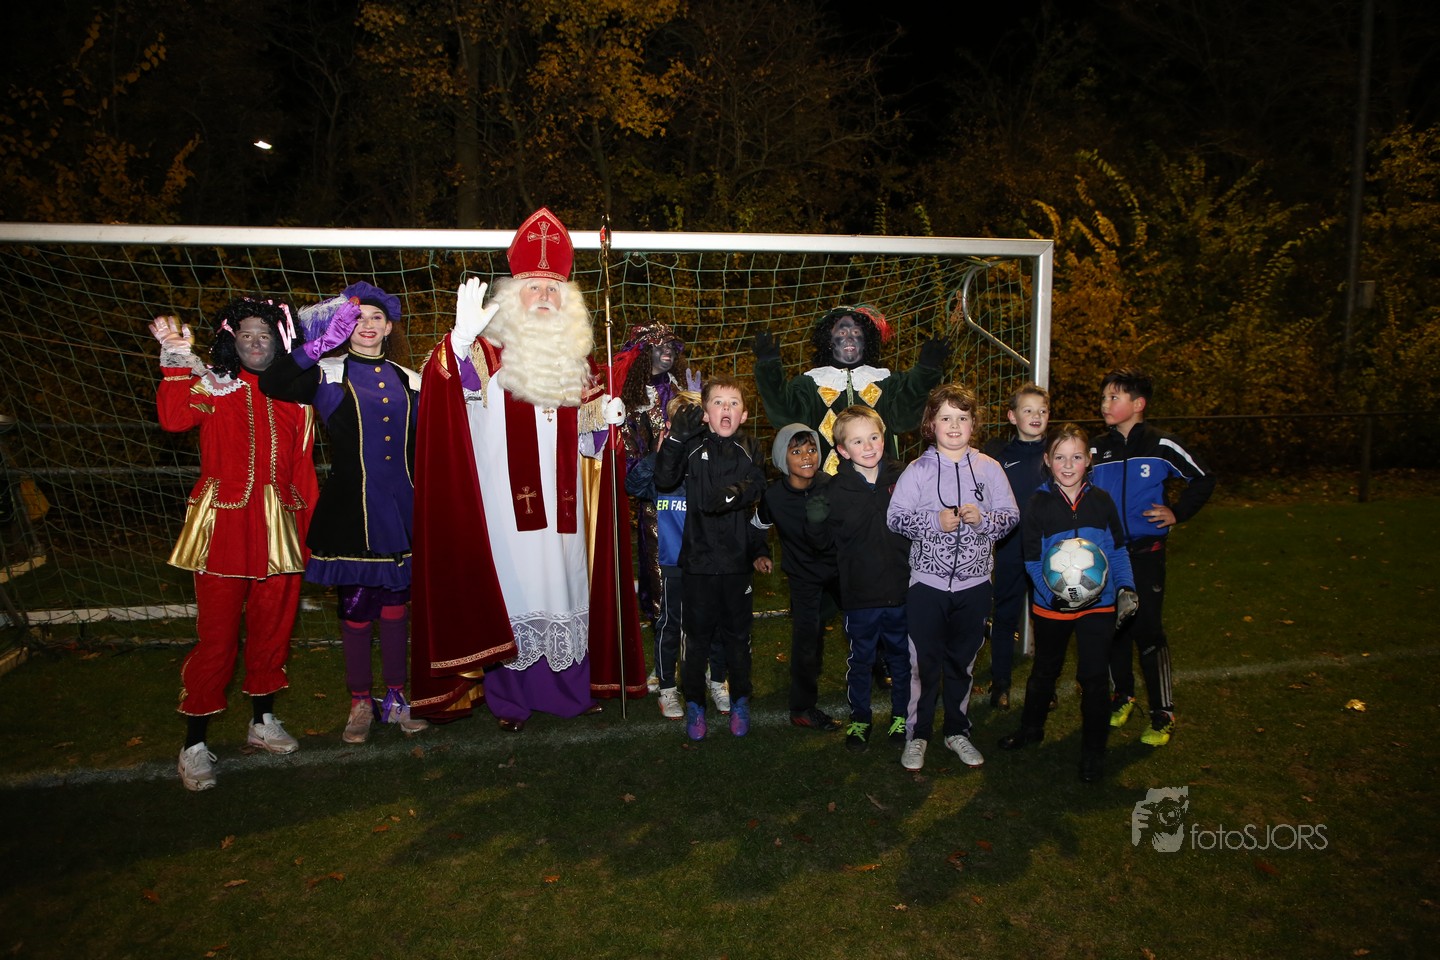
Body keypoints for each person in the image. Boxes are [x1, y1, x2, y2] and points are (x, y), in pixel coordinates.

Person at [409, 207, 643, 730]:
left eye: (553, 289)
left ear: (568, 301)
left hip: (564, 515)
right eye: (533, 286)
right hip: (503, 510)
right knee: (515, 593)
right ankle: (509, 700)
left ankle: (568, 693)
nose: (543, 296)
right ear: (513, 296)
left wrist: (605, 421)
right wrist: (458, 341)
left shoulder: (578, 364)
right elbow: (445, 393)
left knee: (564, 588)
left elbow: (589, 448)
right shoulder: (486, 354)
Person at [152, 298, 319, 791]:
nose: (255, 342)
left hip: (280, 529)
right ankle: (194, 742)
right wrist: (176, 364)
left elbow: (304, 471)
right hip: (223, 525)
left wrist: (310, 537)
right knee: (217, 636)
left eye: (264, 334)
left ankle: (262, 720)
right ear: (232, 340)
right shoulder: (214, 384)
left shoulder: (297, 399)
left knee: (273, 628)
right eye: (245, 334)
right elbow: (173, 419)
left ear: (278, 342)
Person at [259, 281, 430, 744]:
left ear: (389, 327)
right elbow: (272, 382)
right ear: (344, 326)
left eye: (376, 318)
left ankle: (396, 697)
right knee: (355, 608)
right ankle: (359, 701)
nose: (367, 325)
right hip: (351, 512)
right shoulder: (327, 372)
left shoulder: (411, 379)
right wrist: (319, 345)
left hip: (403, 510)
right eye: (357, 319)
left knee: (395, 608)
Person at [886, 383, 1017, 772]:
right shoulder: (917, 470)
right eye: (946, 418)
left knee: (962, 663)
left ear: (974, 423)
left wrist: (984, 520)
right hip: (927, 586)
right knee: (923, 666)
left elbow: (1011, 516)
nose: (955, 425)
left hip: (975, 587)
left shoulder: (990, 469)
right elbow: (895, 518)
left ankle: (957, 730)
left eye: (962, 418)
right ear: (932, 424)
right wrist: (933, 521)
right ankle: (918, 734)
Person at [997, 423, 1137, 782]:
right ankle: (1031, 729)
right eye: (1060, 457)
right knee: (1045, 669)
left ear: (1088, 460)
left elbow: (1117, 550)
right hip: (1052, 606)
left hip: (1098, 605)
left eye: (1076, 457)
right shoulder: (1037, 504)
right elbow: (1031, 560)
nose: (1068, 465)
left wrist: (1125, 588)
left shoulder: (1102, 501)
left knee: (1093, 677)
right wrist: (1052, 596)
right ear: (1047, 460)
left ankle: (1093, 752)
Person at [1090, 369, 1216, 747]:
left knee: (1147, 630)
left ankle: (1162, 712)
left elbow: (1203, 477)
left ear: (1138, 404)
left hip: (1146, 553)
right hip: (1107, 556)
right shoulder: (1095, 449)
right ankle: (1123, 695)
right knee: (1112, 627)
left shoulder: (1162, 444)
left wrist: (1178, 512)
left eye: (1114, 397)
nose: (1105, 404)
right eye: (1103, 397)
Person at [654, 375, 767, 740]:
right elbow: (664, 480)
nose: (726, 409)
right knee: (697, 639)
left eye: (734, 403)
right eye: (718, 402)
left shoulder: (750, 446)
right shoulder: (691, 444)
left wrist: (733, 493)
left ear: (744, 414)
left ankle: (740, 700)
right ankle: (695, 705)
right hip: (698, 563)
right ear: (705, 413)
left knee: (737, 638)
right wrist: (674, 439)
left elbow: (758, 483)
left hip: (736, 563)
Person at [811, 405, 913, 752]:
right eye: (857, 441)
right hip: (859, 596)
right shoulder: (834, 490)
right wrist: (815, 524)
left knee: (902, 658)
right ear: (842, 450)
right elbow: (822, 545)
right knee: (861, 660)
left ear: (884, 438)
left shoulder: (905, 477)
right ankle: (860, 718)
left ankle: (902, 716)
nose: (868, 447)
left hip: (902, 590)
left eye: (873, 437)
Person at [625, 390, 730, 720]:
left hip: (711, 560)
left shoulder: (711, 457)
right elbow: (633, 485)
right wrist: (659, 453)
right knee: (669, 623)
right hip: (673, 561)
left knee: (714, 623)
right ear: (669, 425)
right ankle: (668, 688)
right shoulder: (663, 461)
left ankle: (717, 680)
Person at [752, 304, 947, 474]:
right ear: (829, 341)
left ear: (866, 340)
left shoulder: (886, 382)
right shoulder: (810, 384)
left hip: (881, 484)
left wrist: (926, 370)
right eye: (842, 333)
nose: (850, 338)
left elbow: (904, 420)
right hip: (828, 488)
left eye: (856, 333)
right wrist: (769, 367)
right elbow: (784, 417)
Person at [757, 423, 842, 731]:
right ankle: (802, 708)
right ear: (783, 457)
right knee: (807, 638)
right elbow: (758, 525)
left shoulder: (831, 485)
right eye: (796, 451)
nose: (807, 456)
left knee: (866, 620)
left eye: (811, 449)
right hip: (803, 576)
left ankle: (882, 669)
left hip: (839, 569)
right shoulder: (774, 496)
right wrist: (759, 552)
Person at [612, 322, 699, 624]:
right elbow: (632, 469)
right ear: (642, 353)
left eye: (671, 347)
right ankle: (667, 637)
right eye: (659, 346)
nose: (667, 352)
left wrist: (700, 405)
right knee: (662, 569)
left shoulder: (679, 388)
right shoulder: (629, 401)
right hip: (656, 500)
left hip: (693, 492)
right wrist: (656, 457)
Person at [981, 384, 1051, 709]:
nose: (1036, 416)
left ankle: (1045, 686)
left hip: (1048, 551)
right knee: (1005, 617)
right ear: (1012, 416)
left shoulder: (1056, 453)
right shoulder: (999, 456)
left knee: (1047, 619)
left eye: (1042, 411)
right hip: (1010, 548)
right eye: (1028, 410)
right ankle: (1001, 684)